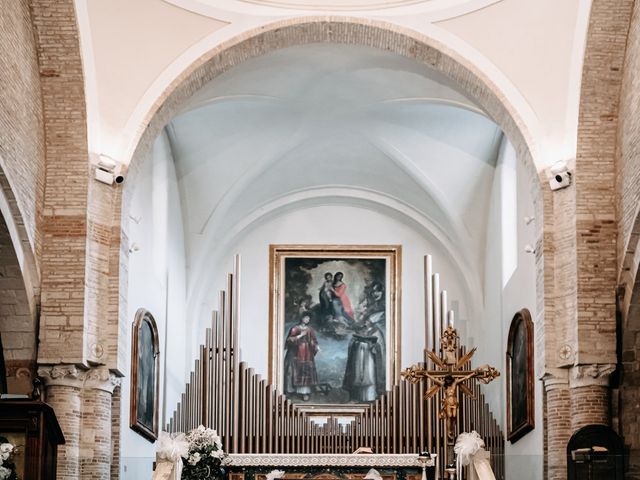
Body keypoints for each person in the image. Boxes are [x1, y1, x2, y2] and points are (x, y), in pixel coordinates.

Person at [342, 318, 385, 402]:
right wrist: (356, 343)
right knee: (358, 376)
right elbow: (351, 346)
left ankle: (370, 397)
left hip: (370, 359)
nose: (366, 323)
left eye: (368, 321)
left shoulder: (376, 332)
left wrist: (373, 346)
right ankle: (358, 397)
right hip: (359, 359)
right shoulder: (356, 337)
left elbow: (379, 346)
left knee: (370, 375)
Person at [283, 313, 320, 401]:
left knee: (306, 371)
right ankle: (293, 391)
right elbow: (289, 340)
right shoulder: (295, 328)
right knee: (294, 371)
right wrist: (300, 335)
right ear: (302, 318)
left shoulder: (310, 329)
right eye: (306, 318)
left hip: (307, 353)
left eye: (308, 318)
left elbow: (313, 340)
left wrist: (316, 346)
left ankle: (305, 393)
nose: (307, 320)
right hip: (296, 353)